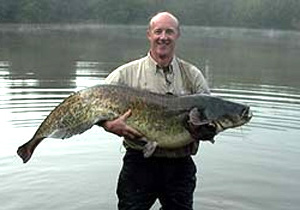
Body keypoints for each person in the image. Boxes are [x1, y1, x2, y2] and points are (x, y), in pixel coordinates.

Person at [102, 11, 210, 210]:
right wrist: (109, 125)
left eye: (169, 32)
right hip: (138, 164)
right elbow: (95, 105)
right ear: (149, 34)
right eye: (158, 31)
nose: (163, 37)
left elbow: (210, 119)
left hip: (180, 165)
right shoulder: (126, 74)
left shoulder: (193, 76)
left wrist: (205, 130)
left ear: (177, 35)